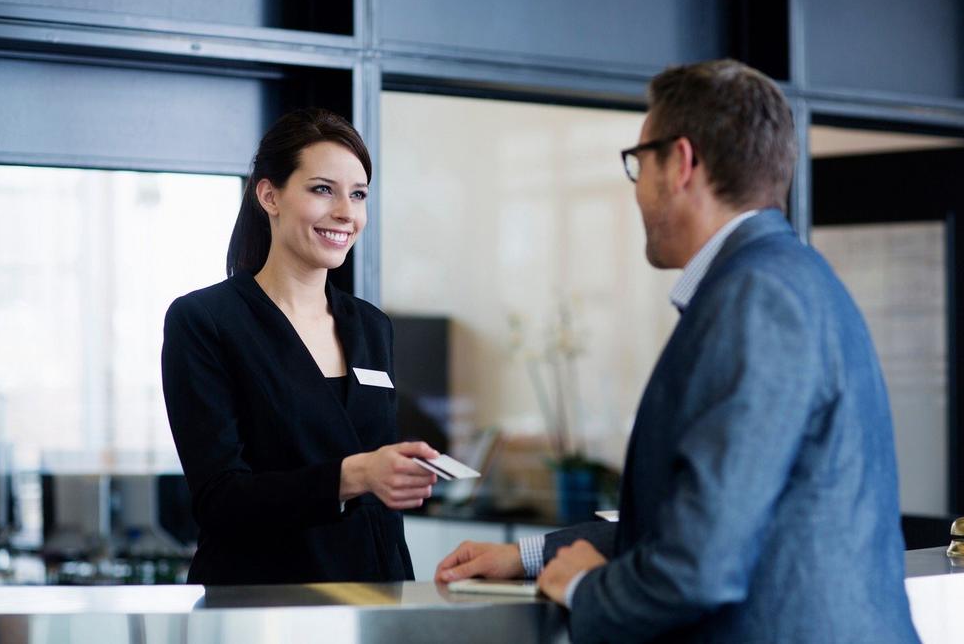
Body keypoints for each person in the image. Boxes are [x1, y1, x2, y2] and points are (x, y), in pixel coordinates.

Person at [435, 60, 920, 643]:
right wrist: (534, 556)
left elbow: (701, 560)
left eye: (639, 164)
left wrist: (586, 589)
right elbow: (705, 513)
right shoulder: (788, 279)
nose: (636, 189)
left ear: (681, 164)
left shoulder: (756, 299)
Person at [162, 108, 439, 585]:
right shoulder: (205, 321)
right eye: (322, 189)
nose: (345, 213)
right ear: (269, 195)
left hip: (376, 596)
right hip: (264, 606)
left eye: (358, 195)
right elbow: (221, 498)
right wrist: (356, 474)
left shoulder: (372, 327)